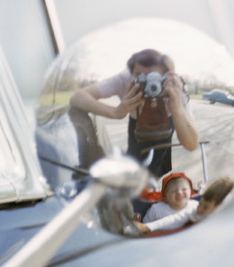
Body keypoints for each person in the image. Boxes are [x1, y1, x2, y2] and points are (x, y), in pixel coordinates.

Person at [69, 49, 198, 177]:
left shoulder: (174, 86)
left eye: (155, 77)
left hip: (164, 136)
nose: (149, 83)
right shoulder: (125, 80)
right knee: (133, 170)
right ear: (131, 74)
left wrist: (177, 108)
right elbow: (78, 97)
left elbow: (191, 143)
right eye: (140, 76)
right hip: (137, 138)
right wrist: (115, 112)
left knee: (159, 171)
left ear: (166, 76)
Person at [135, 176, 234, 234]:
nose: (199, 209)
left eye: (205, 207)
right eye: (200, 203)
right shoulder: (193, 210)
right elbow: (173, 219)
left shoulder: (220, 215)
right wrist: (147, 227)